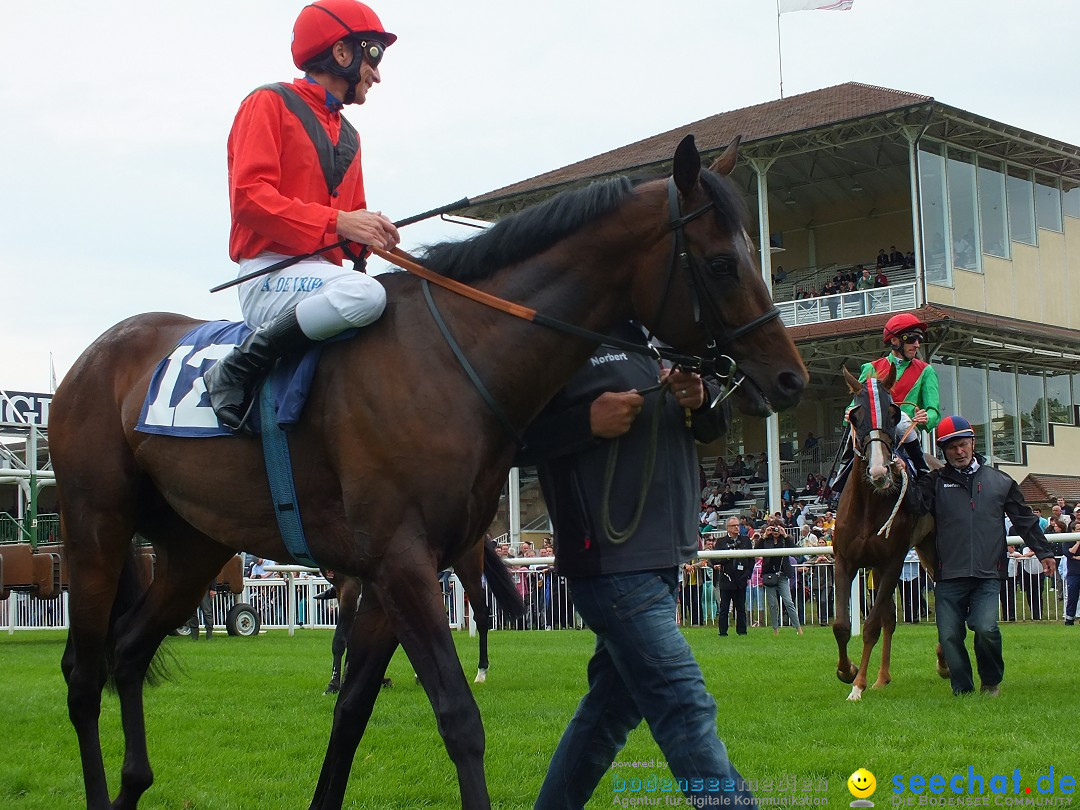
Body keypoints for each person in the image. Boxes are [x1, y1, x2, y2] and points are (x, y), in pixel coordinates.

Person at [520, 322, 753, 809]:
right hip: (610, 565)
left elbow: (714, 425)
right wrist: (585, 421)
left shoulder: (667, 338)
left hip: (663, 559)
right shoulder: (563, 336)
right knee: (683, 702)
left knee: (609, 712)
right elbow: (507, 436)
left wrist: (703, 396)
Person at [203, 0, 401, 432]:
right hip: (267, 275)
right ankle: (236, 367)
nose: (378, 73)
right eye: (374, 54)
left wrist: (368, 233)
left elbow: (346, 231)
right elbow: (250, 201)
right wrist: (341, 223)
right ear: (342, 53)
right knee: (365, 296)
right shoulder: (267, 103)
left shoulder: (349, 135)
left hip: (320, 280)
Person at [904, 415, 1057, 696]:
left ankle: (990, 683)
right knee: (949, 636)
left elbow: (1024, 520)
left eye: (963, 445)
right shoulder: (934, 482)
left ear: (973, 443)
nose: (959, 452)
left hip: (988, 573)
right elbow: (914, 505)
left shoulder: (1001, 481)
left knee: (985, 628)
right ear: (943, 451)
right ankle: (962, 689)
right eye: (951, 448)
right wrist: (904, 472)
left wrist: (1044, 552)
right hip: (949, 574)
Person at [756, 520, 803, 637]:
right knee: (772, 604)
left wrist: (786, 536)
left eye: (778, 528)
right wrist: (764, 536)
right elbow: (755, 549)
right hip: (769, 575)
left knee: (788, 602)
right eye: (773, 528)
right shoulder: (766, 540)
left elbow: (796, 550)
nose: (775, 531)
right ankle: (775, 630)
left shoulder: (785, 540)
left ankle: (798, 628)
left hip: (782, 575)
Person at [714, 518, 753, 636]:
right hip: (726, 579)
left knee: (741, 607)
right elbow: (714, 559)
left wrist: (747, 575)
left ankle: (742, 631)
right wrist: (728, 556)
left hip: (741, 579)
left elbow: (751, 559)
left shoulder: (745, 540)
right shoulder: (721, 542)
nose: (737, 527)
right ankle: (723, 632)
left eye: (738, 525)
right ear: (727, 528)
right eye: (733, 525)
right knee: (724, 608)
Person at [1064, 538, 1080, 626]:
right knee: (1072, 597)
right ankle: (1069, 619)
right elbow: (1069, 553)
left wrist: (1075, 557)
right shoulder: (1068, 541)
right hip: (1074, 573)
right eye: (1078, 529)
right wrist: (1078, 543)